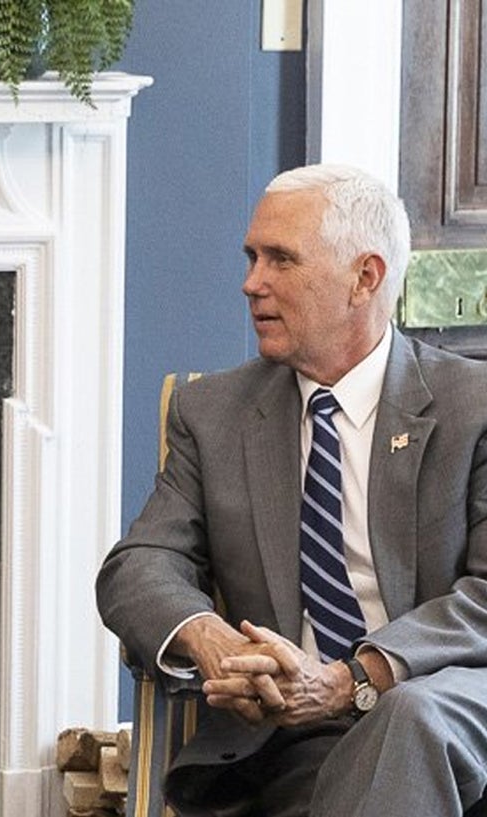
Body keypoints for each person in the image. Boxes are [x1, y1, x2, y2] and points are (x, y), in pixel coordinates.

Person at [97, 164, 487, 816]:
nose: (251, 283)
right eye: (252, 257)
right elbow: (138, 565)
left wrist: (355, 677)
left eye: (280, 259)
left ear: (365, 278)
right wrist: (212, 639)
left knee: (410, 716)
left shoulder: (471, 406)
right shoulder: (213, 411)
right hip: (294, 737)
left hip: (452, 706)